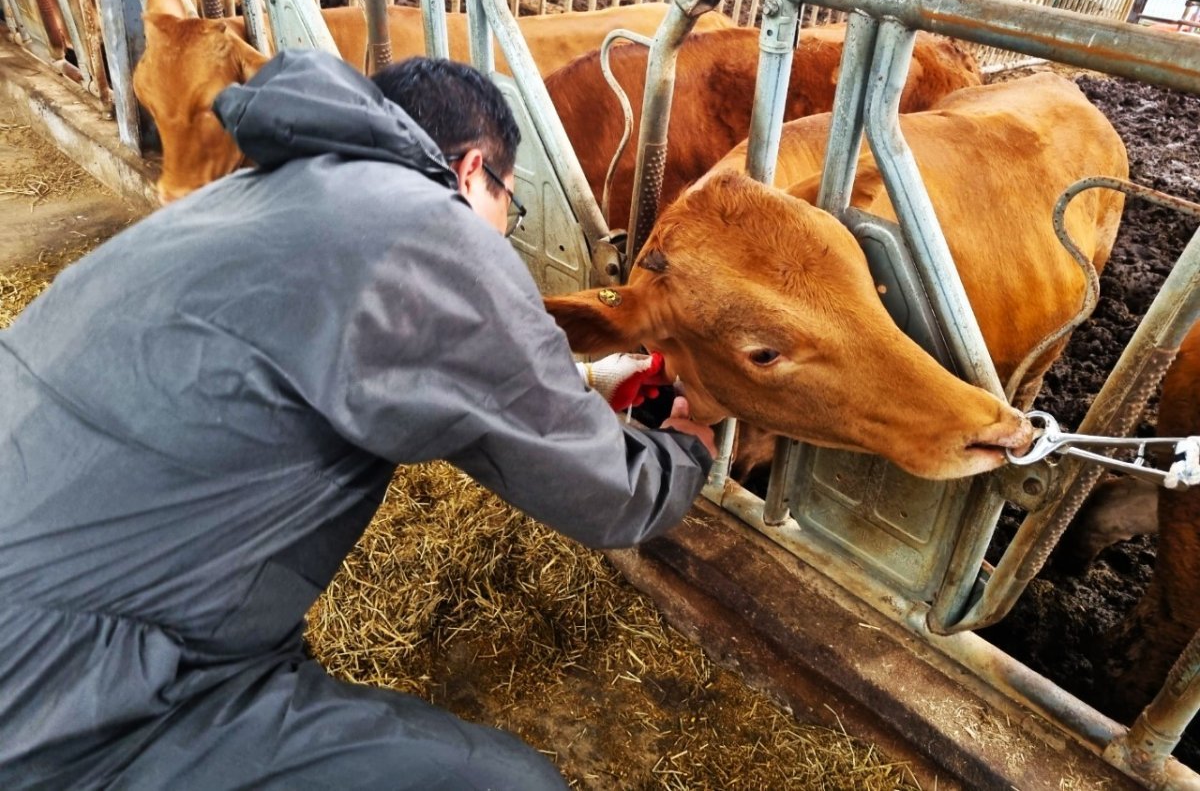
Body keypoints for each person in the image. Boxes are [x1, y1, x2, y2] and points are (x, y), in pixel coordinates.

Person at [0, 51, 716, 790]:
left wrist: (583, 380)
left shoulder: (256, 195)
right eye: (512, 208)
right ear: (474, 171)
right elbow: (605, 490)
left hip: (91, 593)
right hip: (75, 694)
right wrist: (682, 453)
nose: (502, 234)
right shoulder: (428, 229)